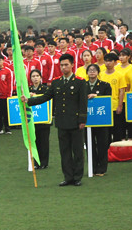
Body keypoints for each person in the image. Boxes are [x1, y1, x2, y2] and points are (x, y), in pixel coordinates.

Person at [24, 53, 89, 186]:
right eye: (61, 65)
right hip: (62, 122)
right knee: (64, 151)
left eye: (66, 65)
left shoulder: (80, 82)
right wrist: (28, 101)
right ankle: (68, 177)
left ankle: (77, 177)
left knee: (77, 151)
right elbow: (45, 97)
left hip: (76, 121)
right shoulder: (56, 82)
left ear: (72, 65)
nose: (64, 67)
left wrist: (82, 120)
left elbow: (83, 102)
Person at [85, 64, 112, 176]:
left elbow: (108, 99)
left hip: (101, 119)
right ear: (87, 73)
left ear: (98, 72)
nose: (92, 72)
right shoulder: (83, 85)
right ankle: (93, 167)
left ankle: (102, 168)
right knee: (89, 143)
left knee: (102, 144)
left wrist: (97, 96)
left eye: (94, 70)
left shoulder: (105, 85)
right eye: (90, 70)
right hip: (87, 119)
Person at [28, 69, 51, 169]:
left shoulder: (46, 89)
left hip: (44, 120)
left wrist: (35, 97)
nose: (35, 78)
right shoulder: (28, 89)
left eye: (37, 76)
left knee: (44, 142)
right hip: (33, 120)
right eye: (33, 76)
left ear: (41, 77)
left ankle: (44, 162)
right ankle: (36, 162)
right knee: (34, 141)